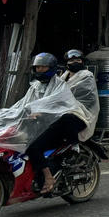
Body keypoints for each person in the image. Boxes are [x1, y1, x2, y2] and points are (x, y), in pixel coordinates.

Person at [22, 53, 88, 194]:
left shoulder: (60, 85)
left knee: (33, 148)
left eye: (43, 67)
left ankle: (48, 177)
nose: (39, 70)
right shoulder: (34, 86)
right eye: (37, 67)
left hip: (58, 122)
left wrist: (42, 113)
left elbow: (60, 106)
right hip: (41, 123)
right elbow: (25, 104)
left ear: (51, 68)